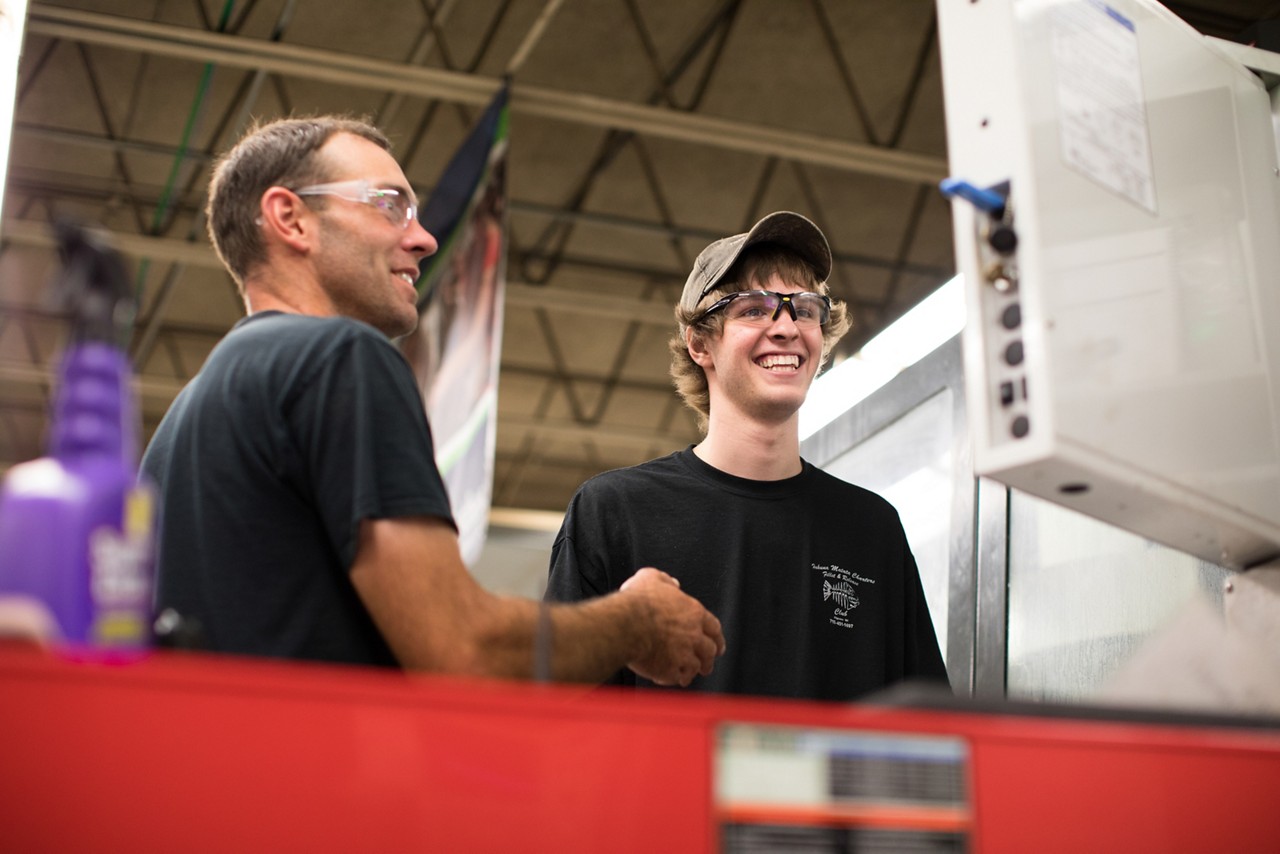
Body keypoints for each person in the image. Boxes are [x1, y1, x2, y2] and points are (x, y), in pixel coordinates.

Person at [141, 116, 724, 685]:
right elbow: (464, 649)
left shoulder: (178, 428)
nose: (423, 238)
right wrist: (636, 621)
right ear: (290, 218)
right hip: (310, 778)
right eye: (389, 204)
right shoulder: (341, 358)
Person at [544, 212, 947, 701]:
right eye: (754, 309)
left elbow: (930, 734)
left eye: (804, 308)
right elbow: (557, 719)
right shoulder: (613, 512)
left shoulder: (872, 529)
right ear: (699, 344)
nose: (786, 327)